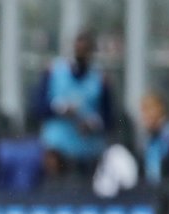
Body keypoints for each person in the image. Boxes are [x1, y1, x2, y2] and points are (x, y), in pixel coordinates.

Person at [33, 30, 113, 178]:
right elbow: (37, 108)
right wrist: (60, 109)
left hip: (89, 153)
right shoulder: (53, 72)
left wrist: (93, 124)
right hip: (57, 151)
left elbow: (109, 118)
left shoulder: (99, 78)